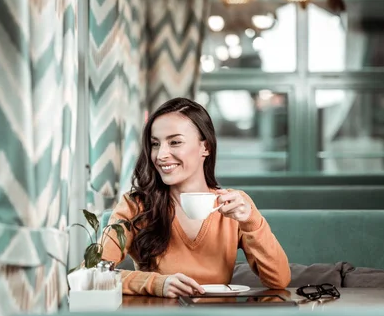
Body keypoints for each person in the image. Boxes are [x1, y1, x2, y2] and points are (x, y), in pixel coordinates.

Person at [100, 97, 291, 298]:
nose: (161, 154)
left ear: (205, 147)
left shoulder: (234, 204)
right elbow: (92, 273)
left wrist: (251, 222)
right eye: (155, 144)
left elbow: (279, 280)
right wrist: (156, 283)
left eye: (175, 142)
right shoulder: (135, 205)